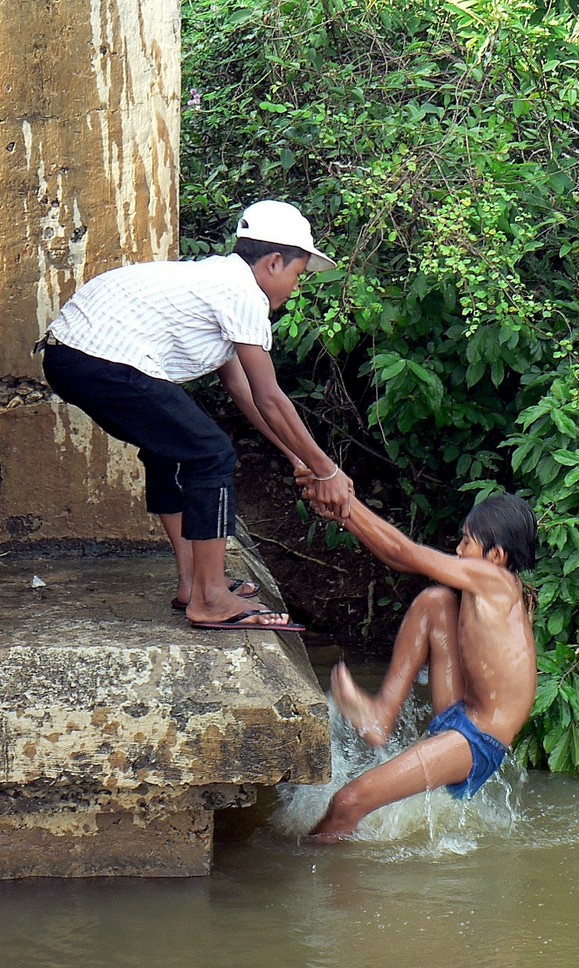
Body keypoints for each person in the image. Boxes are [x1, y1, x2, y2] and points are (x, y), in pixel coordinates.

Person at [38, 200, 353, 631]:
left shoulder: (217, 280)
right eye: (297, 276)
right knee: (211, 453)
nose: (294, 289)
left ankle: (194, 584)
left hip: (71, 356)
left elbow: (241, 387)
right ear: (275, 262)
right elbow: (271, 397)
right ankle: (210, 599)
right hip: (99, 357)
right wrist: (326, 470)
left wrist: (298, 459)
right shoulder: (242, 292)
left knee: (174, 448)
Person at [297, 485, 538, 842]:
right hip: (462, 711)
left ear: (497, 555)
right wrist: (344, 516)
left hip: (476, 741)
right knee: (436, 601)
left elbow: (404, 552)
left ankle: (312, 877)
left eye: (466, 543)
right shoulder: (496, 581)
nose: (458, 551)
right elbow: (400, 559)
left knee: (348, 802)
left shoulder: (494, 581)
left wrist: (348, 503)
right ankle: (382, 714)